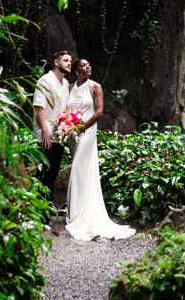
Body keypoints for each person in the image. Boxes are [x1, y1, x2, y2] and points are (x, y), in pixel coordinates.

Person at [65, 58, 135, 240]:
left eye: (89, 64)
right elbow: (65, 109)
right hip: (73, 133)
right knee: (79, 168)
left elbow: (99, 112)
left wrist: (82, 127)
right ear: (75, 70)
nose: (88, 67)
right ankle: (74, 212)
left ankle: (83, 214)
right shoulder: (70, 88)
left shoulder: (95, 87)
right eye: (83, 65)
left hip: (87, 132)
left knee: (80, 166)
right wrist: (67, 125)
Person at [32, 50, 72, 201]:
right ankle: (39, 211)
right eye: (66, 60)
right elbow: (38, 107)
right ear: (56, 62)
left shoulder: (66, 83)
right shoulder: (45, 80)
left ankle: (46, 207)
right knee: (45, 173)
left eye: (70, 61)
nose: (69, 63)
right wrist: (44, 131)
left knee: (54, 172)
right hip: (46, 135)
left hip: (59, 134)